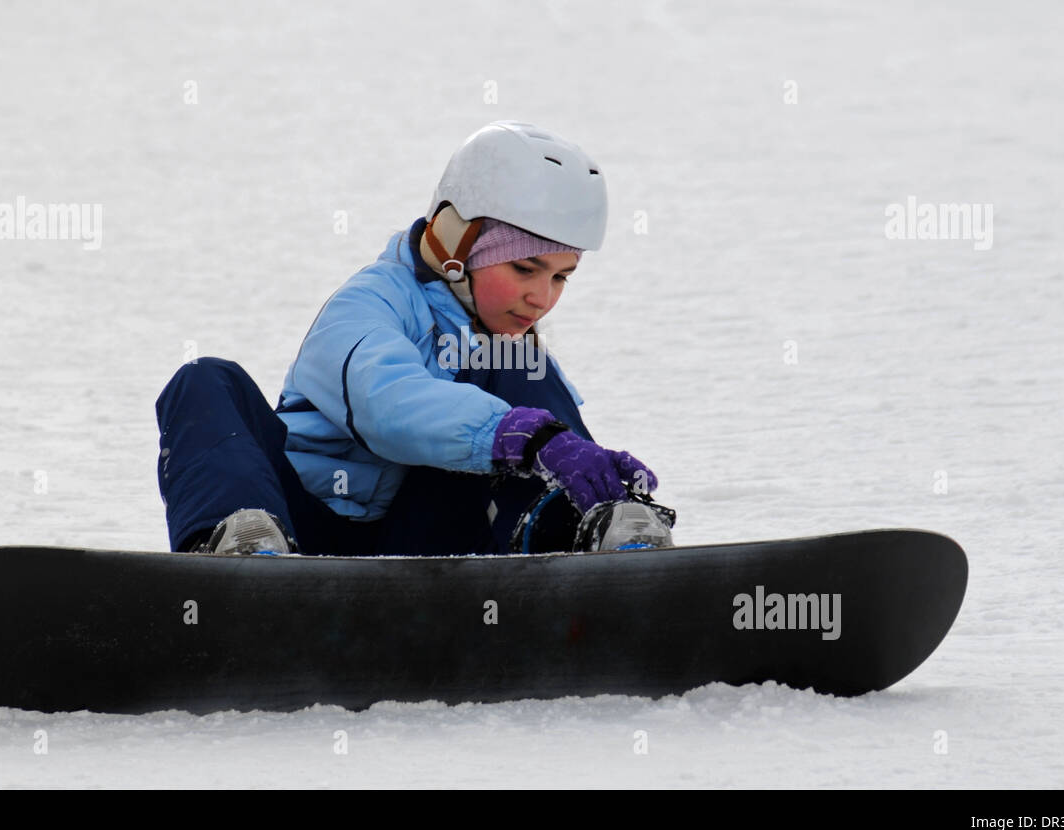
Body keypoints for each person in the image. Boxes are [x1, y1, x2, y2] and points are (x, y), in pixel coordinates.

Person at [154, 120, 674, 557]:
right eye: (524, 268)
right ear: (458, 243)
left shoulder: (509, 355)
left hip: (424, 542)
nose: (542, 297)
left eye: (561, 277)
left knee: (517, 364)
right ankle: (240, 551)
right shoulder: (369, 302)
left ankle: (590, 539)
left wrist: (576, 459)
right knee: (204, 380)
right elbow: (387, 406)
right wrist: (528, 438)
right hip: (304, 533)